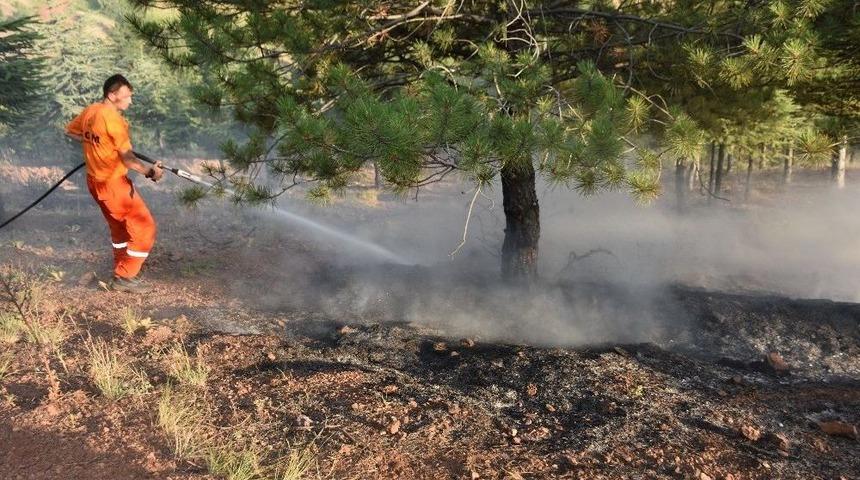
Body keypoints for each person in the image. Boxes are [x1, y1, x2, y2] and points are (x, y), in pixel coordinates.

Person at [65, 74, 164, 293]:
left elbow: (71, 131)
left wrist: (98, 143)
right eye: (127, 96)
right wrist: (151, 172)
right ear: (112, 95)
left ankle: (122, 267)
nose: (130, 101)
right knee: (145, 228)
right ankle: (125, 277)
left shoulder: (92, 110)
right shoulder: (114, 120)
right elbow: (128, 160)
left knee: (119, 229)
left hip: (95, 183)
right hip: (113, 185)